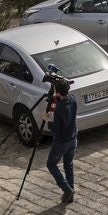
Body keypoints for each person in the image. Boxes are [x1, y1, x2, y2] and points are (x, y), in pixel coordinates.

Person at [45, 75, 78, 204]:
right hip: (73, 138)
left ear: (57, 92)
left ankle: (67, 189)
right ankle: (71, 193)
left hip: (61, 142)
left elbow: (56, 129)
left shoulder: (59, 109)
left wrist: (48, 122)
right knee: (68, 165)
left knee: (51, 164)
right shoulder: (73, 99)